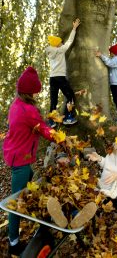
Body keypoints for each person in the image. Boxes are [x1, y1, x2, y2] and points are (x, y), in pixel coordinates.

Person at [2, 66, 57, 256]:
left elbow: (36, 125)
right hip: (20, 160)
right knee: (16, 202)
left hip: (17, 155)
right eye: (35, 90)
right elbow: (43, 129)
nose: (37, 93)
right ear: (30, 91)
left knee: (31, 188)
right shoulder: (28, 110)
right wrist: (59, 137)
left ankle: (40, 221)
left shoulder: (16, 103)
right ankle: (14, 243)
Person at [46, 18, 80, 128]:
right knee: (70, 96)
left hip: (52, 78)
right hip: (60, 77)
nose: (62, 43)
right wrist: (74, 28)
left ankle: (52, 121)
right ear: (57, 44)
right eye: (60, 42)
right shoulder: (60, 50)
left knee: (53, 100)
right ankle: (68, 117)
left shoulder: (50, 51)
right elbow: (69, 41)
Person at [95, 43, 117, 125]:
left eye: (110, 52)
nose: (109, 53)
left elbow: (109, 63)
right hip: (114, 83)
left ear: (113, 53)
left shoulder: (116, 59)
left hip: (115, 83)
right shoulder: (115, 58)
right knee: (116, 100)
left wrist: (101, 55)